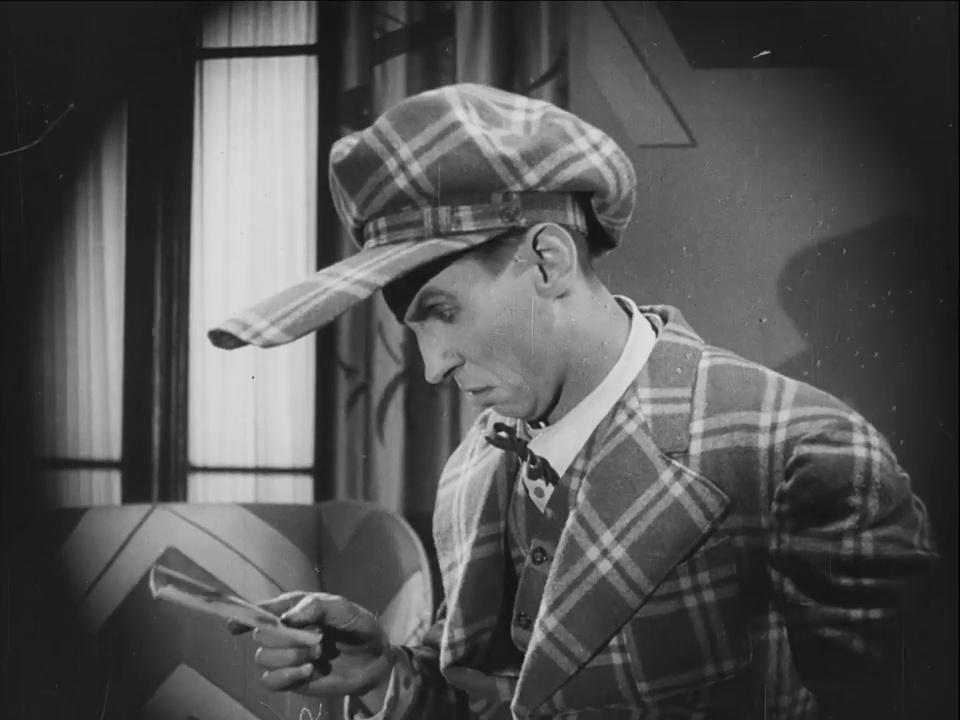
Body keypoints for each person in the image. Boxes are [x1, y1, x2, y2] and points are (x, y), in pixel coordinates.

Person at [208, 84, 938, 720]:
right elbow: (489, 699)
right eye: (415, 328)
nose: (432, 367)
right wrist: (383, 675)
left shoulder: (800, 454)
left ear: (548, 260)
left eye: (444, 312)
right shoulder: (473, 468)